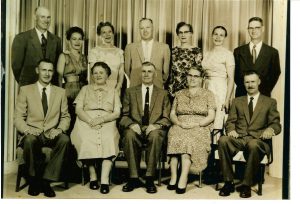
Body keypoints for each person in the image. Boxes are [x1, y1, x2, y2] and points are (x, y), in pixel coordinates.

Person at [218, 70, 281, 198]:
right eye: (247, 82)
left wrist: (270, 130)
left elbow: (276, 124)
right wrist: (231, 130)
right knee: (223, 140)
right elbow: (230, 122)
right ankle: (228, 182)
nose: (250, 85)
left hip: (259, 141)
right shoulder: (237, 101)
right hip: (240, 139)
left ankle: (246, 185)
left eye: (253, 81)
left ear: (259, 82)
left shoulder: (270, 102)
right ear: (244, 83)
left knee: (253, 144)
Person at [14, 59, 70, 197]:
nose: (47, 73)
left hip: (51, 133)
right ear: (37, 71)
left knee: (65, 140)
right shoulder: (25, 90)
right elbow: (18, 117)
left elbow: (66, 116)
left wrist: (60, 129)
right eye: (44, 70)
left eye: (50, 70)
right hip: (32, 132)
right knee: (29, 141)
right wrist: (27, 130)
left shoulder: (61, 92)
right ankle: (34, 180)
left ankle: (46, 180)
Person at [120, 61, 171, 194]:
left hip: (154, 129)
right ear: (140, 73)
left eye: (150, 71)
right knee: (129, 135)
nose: (146, 74)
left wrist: (156, 126)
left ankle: (149, 177)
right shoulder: (130, 92)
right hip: (135, 128)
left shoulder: (163, 94)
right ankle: (133, 177)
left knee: (155, 135)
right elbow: (124, 115)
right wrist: (131, 124)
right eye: (144, 71)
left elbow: (166, 118)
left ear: (155, 75)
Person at [71, 62, 121, 194]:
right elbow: (78, 109)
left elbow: (116, 113)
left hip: (107, 121)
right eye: (95, 73)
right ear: (92, 75)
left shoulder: (113, 91)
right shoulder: (85, 89)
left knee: (109, 139)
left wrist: (102, 119)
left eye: (101, 72)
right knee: (86, 139)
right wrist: (90, 120)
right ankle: (93, 176)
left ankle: (104, 180)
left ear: (107, 75)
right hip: (86, 120)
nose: (98, 75)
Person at [167, 67, 216, 194]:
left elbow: (211, 116)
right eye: (190, 75)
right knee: (175, 134)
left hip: (200, 125)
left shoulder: (208, 94)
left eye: (196, 76)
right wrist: (178, 123)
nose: (192, 78)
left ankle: (183, 177)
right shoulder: (179, 93)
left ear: (201, 79)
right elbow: (172, 113)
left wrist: (197, 124)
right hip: (180, 123)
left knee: (188, 139)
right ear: (186, 77)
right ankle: (173, 177)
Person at [12, 6, 62, 86]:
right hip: (29, 87)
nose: (46, 20)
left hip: (50, 88)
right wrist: (25, 84)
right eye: (42, 17)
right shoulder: (22, 38)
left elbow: (57, 67)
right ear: (35, 17)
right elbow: (16, 67)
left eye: (48, 17)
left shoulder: (56, 40)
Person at [234, 17, 281, 97]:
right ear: (248, 30)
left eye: (257, 28)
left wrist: (263, 90)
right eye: (251, 28)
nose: (254, 31)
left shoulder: (272, 52)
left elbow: (275, 74)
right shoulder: (238, 51)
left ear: (262, 29)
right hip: (242, 96)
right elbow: (235, 75)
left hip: (263, 96)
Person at [202, 26, 235, 133]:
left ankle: (217, 147)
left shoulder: (228, 54)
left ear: (225, 37)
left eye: (221, 35)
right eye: (216, 34)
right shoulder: (207, 53)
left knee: (218, 118)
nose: (218, 37)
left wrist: (227, 99)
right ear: (212, 36)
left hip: (220, 89)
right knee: (206, 116)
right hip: (206, 87)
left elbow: (231, 78)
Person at [57, 26, 88, 133]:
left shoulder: (85, 57)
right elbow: (59, 78)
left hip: (82, 91)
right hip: (68, 92)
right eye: (74, 39)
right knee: (69, 121)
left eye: (80, 39)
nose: (77, 42)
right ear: (68, 40)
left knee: (81, 123)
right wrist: (60, 96)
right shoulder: (63, 56)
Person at [124, 18, 170, 88]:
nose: (145, 31)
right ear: (139, 30)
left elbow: (166, 72)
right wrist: (135, 79)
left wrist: (158, 80)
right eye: (142, 28)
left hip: (156, 86)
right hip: (135, 86)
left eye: (148, 27)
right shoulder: (130, 47)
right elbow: (127, 70)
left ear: (152, 28)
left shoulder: (164, 47)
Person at [168, 22, 203, 98]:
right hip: (173, 89)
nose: (183, 35)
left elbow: (198, 72)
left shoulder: (197, 51)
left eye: (186, 32)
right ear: (177, 34)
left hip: (190, 88)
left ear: (191, 34)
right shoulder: (172, 51)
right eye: (180, 32)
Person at [89, 22, 124, 93]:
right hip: (99, 88)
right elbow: (92, 73)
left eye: (109, 32)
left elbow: (121, 72)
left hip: (115, 87)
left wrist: (118, 86)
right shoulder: (94, 51)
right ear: (100, 35)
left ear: (113, 33)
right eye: (104, 32)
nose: (107, 34)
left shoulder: (119, 51)